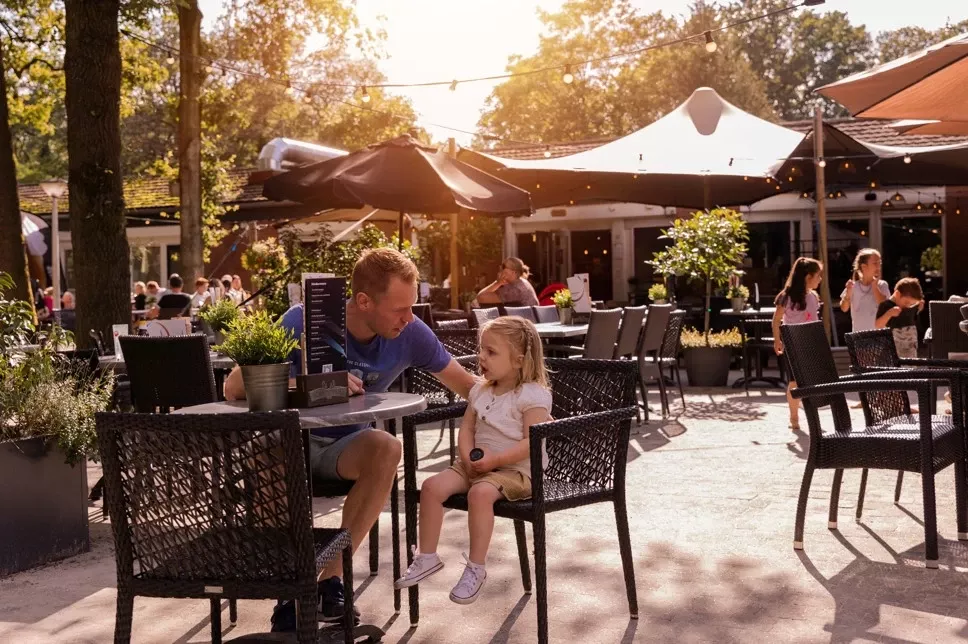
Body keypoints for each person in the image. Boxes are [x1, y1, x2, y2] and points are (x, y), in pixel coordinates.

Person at [222, 248, 479, 630]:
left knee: (386, 447)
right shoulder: (303, 320)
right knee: (268, 449)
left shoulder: (410, 333)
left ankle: (328, 580)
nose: (409, 318)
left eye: (412, 307)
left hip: (345, 448)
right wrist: (315, 384)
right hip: (289, 444)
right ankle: (289, 591)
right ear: (363, 301)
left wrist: (526, 406)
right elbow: (234, 387)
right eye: (399, 309)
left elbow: (468, 386)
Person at [394, 316, 551, 604]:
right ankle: (427, 556)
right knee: (431, 487)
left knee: (480, 494)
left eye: (491, 352)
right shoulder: (480, 389)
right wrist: (465, 455)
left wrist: (496, 460)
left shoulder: (532, 395)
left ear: (518, 360)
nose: (481, 357)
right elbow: (467, 427)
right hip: (476, 466)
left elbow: (532, 441)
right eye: (481, 350)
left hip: (515, 471)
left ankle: (476, 569)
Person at [772, 258, 824, 431]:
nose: (820, 279)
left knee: (810, 381)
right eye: (818, 275)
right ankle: (794, 415)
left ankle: (810, 415)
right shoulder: (786, 297)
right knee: (794, 382)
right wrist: (777, 339)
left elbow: (815, 322)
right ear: (808, 277)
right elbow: (776, 319)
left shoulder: (813, 297)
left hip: (810, 344)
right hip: (793, 345)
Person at [840, 248, 890, 332]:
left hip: (879, 336)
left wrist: (875, 286)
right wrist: (848, 294)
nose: (878, 267)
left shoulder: (882, 285)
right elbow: (844, 308)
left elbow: (884, 307)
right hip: (859, 337)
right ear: (864, 267)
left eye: (879, 263)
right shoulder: (854, 286)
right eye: (875, 263)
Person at [875, 277, 924, 360]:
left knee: (910, 371)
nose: (908, 306)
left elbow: (913, 318)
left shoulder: (910, 307)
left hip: (911, 351)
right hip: (893, 352)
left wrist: (919, 308)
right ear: (897, 294)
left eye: (912, 304)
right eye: (907, 302)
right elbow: (878, 325)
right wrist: (889, 314)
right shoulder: (886, 305)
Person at [475, 257, 539, 307]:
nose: (501, 270)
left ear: (513, 272)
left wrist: (497, 283)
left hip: (524, 322)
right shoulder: (522, 282)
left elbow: (481, 297)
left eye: (504, 267)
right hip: (528, 321)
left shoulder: (515, 289)